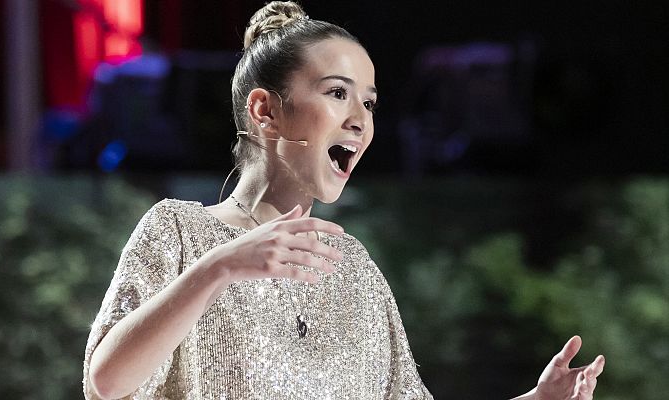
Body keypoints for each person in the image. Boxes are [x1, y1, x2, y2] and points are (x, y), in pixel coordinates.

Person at [83, 2, 605, 399]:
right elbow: (106, 381)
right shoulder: (178, 231)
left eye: (370, 102)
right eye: (337, 93)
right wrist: (221, 267)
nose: (361, 119)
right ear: (265, 110)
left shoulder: (354, 269)